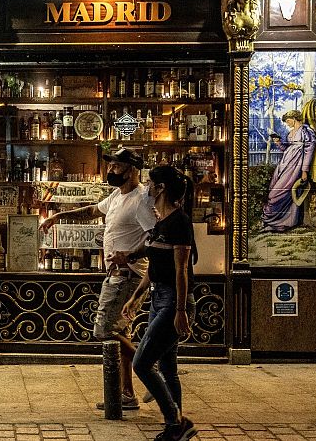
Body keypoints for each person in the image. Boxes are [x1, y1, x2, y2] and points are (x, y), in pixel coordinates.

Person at [40, 147, 156, 411]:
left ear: (132, 169)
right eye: (111, 165)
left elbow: (155, 239)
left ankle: (150, 370)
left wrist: (129, 255)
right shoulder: (118, 195)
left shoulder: (142, 201)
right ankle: (126, 394)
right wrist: (59, 216)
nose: (111, 170)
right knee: (121, 331)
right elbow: (94, 210)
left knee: (106, 330)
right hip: (115, 274)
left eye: (116, 166)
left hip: (129, 276)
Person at [122, 165, 198, 441]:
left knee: (142, 363)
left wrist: (180, 310)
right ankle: (177, 425)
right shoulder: (161, 222)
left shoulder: (180, 221)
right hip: (158, 297)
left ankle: (175, 421)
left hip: (174, 301)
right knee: (167, 368)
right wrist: (136, 297)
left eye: (151, 184)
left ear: (161, 188)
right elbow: (154, 265)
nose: (147, 188)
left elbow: (181, 269)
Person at [260, 109, 316, 232]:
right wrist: (279, 142)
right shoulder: (290, 133)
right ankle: (278, 223)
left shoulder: (307, 132)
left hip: (295, 166)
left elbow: (309, 152)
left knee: (277, 194)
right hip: (284, 164)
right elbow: (286, 149)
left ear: (295, 118)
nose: (287, 123)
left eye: (288, 121)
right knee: (275, 189)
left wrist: (304, 170)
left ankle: (277, 221)